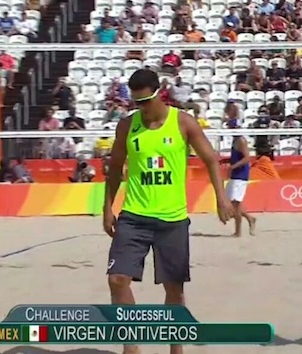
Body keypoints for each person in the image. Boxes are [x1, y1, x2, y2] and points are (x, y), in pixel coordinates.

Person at [103, 69, 234, 354]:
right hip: (133, 216)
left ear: (159, 93)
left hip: (172, 219)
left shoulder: (183, 122)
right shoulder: (127, 126)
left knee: (174, 290)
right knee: (117, 280)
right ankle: (131, 347)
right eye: (137, 103)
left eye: (146, 101)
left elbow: (211, 160)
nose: (143, 108)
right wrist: (107, 207)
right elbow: (114, 169)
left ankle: (176, 349)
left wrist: (221, 198)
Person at [224, 119, 257, 237]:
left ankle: (238, 232)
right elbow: (238, 157)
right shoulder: (235, 140)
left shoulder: (241, 140)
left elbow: (247, 158)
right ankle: (250, 218)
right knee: (232, 203)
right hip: (235, 174)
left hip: (240, 175)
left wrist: (232, 166)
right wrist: (226, 161)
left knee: (236, 204)